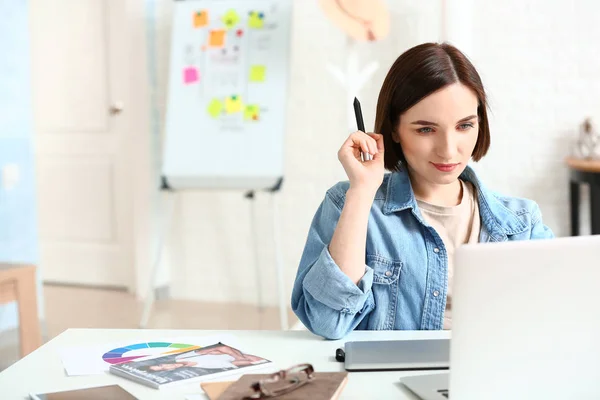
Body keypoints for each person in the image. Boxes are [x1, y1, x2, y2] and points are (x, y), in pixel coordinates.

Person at [291, 42, 554, 340]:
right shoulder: (348, 204)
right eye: (426, 129)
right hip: (387, 383)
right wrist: (362, 192)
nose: (448, 150)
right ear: (393, 129)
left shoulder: (521, 224)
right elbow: (326, 322)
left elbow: (557, 321)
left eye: (465, 126)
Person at [143, 344, 267, 372]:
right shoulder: (199, 368)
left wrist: (229, 354)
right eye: (162, 369)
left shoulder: (182, 357)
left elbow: (220, 348)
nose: (165, 366)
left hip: (229, 352)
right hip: (235, 358)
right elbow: (237, 362)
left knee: (224, 349)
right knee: (255, 361)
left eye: (160, 365)